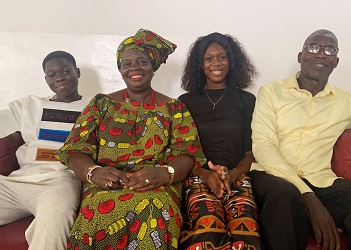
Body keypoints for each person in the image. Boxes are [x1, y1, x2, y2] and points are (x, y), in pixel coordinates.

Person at [55, 29, 206, 250]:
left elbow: (188, 153)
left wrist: (165, 173)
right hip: (105, 182)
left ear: (153, 67)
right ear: (121, 69)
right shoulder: (101, 104)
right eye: (126, 63)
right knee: (96, 208)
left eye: (142, 61)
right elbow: (75, 149)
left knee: (155, 207)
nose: (133, 67)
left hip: (157, 185)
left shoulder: (174, 108)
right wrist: (93, 172)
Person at [249, 29, 351, 250]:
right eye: (314, 47)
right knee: (286, 196)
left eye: (330, 49)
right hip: (273, 176)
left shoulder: (346, 101)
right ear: (300, 56)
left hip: (320, 182)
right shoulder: (271, 92)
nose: (322, 54)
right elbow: (263, 145)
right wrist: (308, 197)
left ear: (336, 61)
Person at [178, 32, 262, 250]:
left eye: (222, 57)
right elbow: (182, 151)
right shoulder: (186, 101)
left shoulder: (246, 100)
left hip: (237, 175)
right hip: (198, 176)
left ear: (231, 61)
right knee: (207, 227)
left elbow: (250, 152)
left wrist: (231, 175)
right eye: (209, 58)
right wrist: (207, 174)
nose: (216, 63)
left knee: (246, 232)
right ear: (200, 64)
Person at [0, 50, 90, 249]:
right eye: (52, 74)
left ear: (77, 72)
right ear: (46, 79)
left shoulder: (94, 107)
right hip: (16, 181)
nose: (59, 77)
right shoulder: (29, 105)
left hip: (59, 182)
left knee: (56, 216)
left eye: (65, 71)